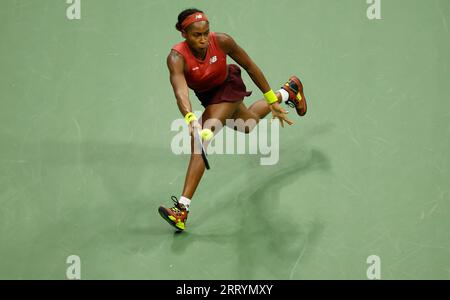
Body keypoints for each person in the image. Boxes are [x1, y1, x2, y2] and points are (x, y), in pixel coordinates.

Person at [158, 8, 307, 231]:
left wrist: (268, 97)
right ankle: (289, 91)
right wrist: (189, 117)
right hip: (208, 96)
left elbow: (250, 66)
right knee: (249, 124)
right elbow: (180, 91)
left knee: (201, 140)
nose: (203, 39)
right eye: (196, 35)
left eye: (206, 33)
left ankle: (182, 210)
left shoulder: (223, 41)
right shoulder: (176, 58)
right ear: (183, 34)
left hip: (228, 86)